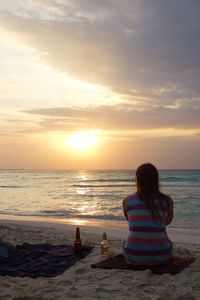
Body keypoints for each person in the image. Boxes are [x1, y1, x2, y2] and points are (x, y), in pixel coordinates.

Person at [123, 163, 174, 266]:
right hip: (162, 256)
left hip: (134, 255)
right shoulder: (167, 200)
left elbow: (131, 221)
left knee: (125, 243)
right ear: (156, 179)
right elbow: (167, 222)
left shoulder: (127, 201)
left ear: (137, 179)